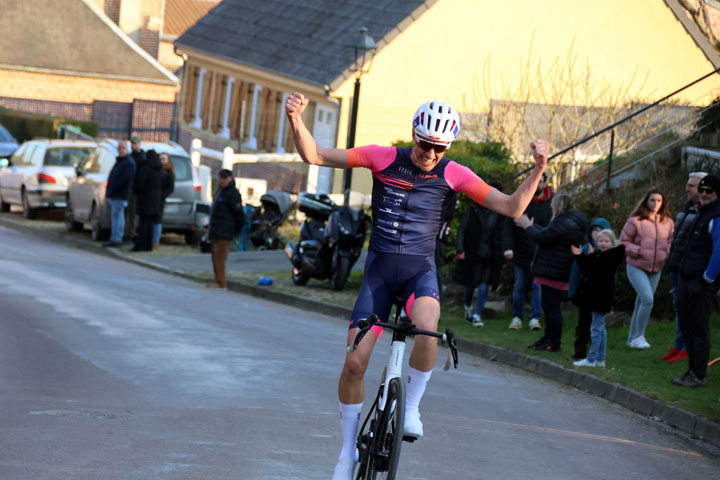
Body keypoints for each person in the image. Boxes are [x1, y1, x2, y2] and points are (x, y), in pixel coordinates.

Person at [284, 92, 549, 480]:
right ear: (414, 134)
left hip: (418, 272)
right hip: (379, 272)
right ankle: (345, 454)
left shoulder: (453, 173)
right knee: (354, 363)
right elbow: (315, 155)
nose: (430, 153)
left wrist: (539, 167)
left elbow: (511, 207)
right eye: (425, 144)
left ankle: (411, 409)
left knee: (428, 331)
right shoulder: (382, 157)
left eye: (439, 148)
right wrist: (295, 119)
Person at [515, 194, 588, 352]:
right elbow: (550, 235)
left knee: (552, 307)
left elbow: (543, 237)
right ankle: (548, 338)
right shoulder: (570, 222)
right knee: (549, 306)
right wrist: (532, 226)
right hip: (556, 268)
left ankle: (553, 342)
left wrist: (527, 226)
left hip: (554, 269)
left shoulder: (564, 222)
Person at [673, 174, 720, 387]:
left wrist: (706, 279)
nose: (703, 194)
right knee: (687, 327)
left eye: (708, 191)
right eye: (701, 190)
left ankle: (698, 374)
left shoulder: (715, 216)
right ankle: (692, 371)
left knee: (699, 329)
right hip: (687, 279)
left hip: (700, 283)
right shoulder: (702, 213)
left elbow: (718, 251)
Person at [661, 172, 707, 363]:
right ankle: (678, 345)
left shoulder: (704, 212)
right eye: (688, 184)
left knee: (688, 310)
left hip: (689, 268)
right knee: (678, 307)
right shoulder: (686, 207)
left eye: (692, 185)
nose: (687, 188)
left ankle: (686, 348)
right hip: (676, 264)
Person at [620, 189, 674, 349]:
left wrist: (667, 252)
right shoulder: (635, 221)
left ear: (663, 202)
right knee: (648, 300)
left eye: (659, 200)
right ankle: (639, 336)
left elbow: (672, 241)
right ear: (646, 201)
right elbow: (624, 241)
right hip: (636, 266)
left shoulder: (668, 222)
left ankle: (632, 339)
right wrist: (638, 251)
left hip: (657, 267)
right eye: (652, 200)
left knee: (641, 301)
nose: (656, 204)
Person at [502, 171, 553, 330]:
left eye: (540, 182)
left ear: (545, 183)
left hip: (540, 253)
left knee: (537, 287)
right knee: (519, 285)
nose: (537, 185)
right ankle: (517, 317)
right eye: (535, 181)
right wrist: (508, 247)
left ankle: (534, 318)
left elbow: (552, 228)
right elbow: (508, 226)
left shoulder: (552, 203)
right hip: (520, 252)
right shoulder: (522, 199)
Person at [570, 229, 625, 367]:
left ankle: (592, 358)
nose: (603, 244)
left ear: (612, 243)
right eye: (601, 241)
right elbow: (590, 268)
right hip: (597, 297)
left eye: (606, 241)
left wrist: (585, 257)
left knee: (596, 329)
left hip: (601, 297)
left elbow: (595, 270)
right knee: (600, 328)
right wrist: (582, 256)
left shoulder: (610, 257)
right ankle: (600, 359)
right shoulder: (600, 255)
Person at [455, 182, 505, 326]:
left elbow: (502, 234)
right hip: (474, 251)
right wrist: (460, 248)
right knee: (471, 283)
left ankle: (477, 314)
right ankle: (468, 307)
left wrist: (501, 255)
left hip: (490, 254)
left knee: (484, 283)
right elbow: (462, 229)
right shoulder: (474, 207)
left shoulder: (500, 212)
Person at [567, 217, 612, 361]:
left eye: (600, 231)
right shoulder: (585, 249)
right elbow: (576, 273)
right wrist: (572, 291)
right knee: (583, 325)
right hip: (584, 294)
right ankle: (579, 353)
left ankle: (597, 354)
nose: (597, 234)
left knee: (598, 326)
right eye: (594, 230)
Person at [208, 169, 245, 289]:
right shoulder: (220, 191)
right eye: (220, 178)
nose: (222, 180)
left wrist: (236, 231)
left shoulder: (233, 194)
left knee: (220, 258)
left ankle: (221, 282)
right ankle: (217, 280)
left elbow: (239, 214)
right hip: (216, 230)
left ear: (230, 178)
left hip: (225, 231)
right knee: (215, 257)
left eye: (224, 178)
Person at [103, 141, 136, 248]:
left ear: (127, 149)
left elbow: (124, 180)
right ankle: (115, 238)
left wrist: (113, 189)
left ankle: (116, 239)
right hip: (116, 194)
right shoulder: (121, 161)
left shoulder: (128, 163)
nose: (121, 150)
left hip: (120, 195)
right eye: (119, 148)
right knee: (116, 217)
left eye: (123, 148)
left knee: (118, 217)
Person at [131, 149, 164, 252]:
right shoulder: (160, 169)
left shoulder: (146, 169)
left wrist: (135, 190)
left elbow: (140, 184)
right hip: (156, 200)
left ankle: (141, 245)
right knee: (150, 224)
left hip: (145, 199)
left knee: (143, 223)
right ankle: (149, 245)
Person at [152, 152, 175, 250]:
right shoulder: (156, 170)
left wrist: (162, 196)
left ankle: (155, 241)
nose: (161, 161)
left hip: (160, 199)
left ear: (168, 160)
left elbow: (170, 188)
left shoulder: (169, 173)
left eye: (163, 159)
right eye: (160, 159)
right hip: (153, 199)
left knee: (157, 220)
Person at [126, 136, 146, 239]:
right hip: (130, 189)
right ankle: (128, 233)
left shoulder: (143, 158)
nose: (133, 145)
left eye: (135, 143)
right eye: (132, 143)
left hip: (137, 190)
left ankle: (131, 234)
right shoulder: (130, 156)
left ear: (139, 144)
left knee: (133, 213)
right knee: (129, 213)